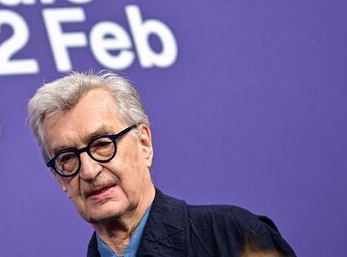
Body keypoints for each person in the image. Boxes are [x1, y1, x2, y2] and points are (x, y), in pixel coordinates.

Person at [27, 71, 295, 257]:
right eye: (67, 158)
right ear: (59, 179)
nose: (88, 170)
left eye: (101, 144)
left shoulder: (234, 237)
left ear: (144, 143)